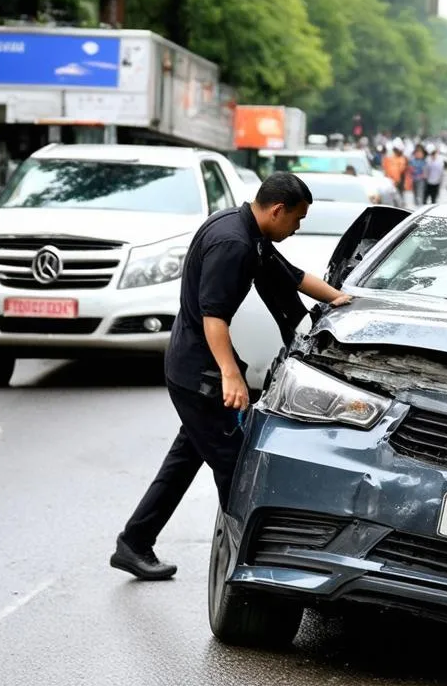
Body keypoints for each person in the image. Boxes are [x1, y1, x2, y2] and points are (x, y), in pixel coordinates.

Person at [110, 173, 353, 580]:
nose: (297, 228)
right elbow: (214, 319)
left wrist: (342, 300)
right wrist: (230, 376)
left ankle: (134, 542)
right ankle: (252, 561)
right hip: (198, 372)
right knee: (237, 467)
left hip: (192, 366)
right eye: (297, 219)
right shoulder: (234, 244)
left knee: (185, 460)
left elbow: (290, 276)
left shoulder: (247, 231)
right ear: (278, 210)